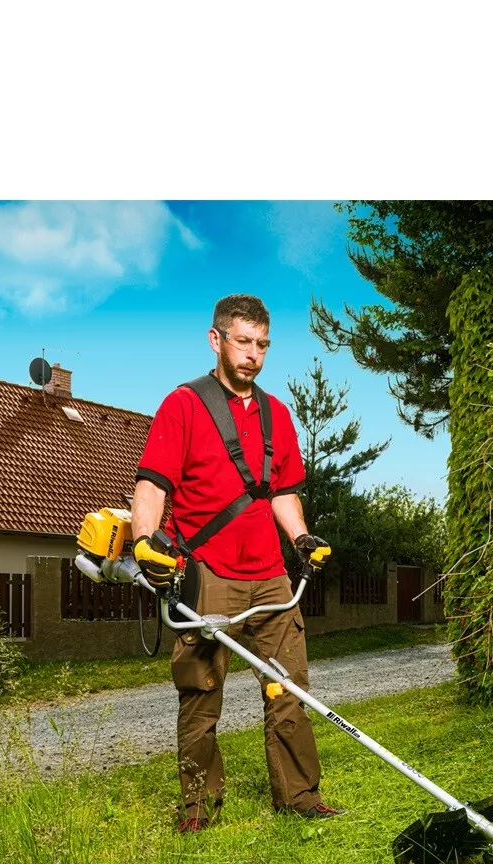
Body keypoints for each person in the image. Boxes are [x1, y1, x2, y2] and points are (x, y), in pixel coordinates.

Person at [129, 294, 343, 832]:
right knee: (200, 694)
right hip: (208, 575)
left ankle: (299, 796)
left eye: (262, 345)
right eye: (243, 342)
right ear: (216, 339)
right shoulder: (183, 405)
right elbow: (152, 485)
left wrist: (301, 538)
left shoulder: (277, 415)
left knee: (288, 687)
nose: (253, 355)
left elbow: (282, 493)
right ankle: (199, 810)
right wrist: (144, 542)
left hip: (271, 578)